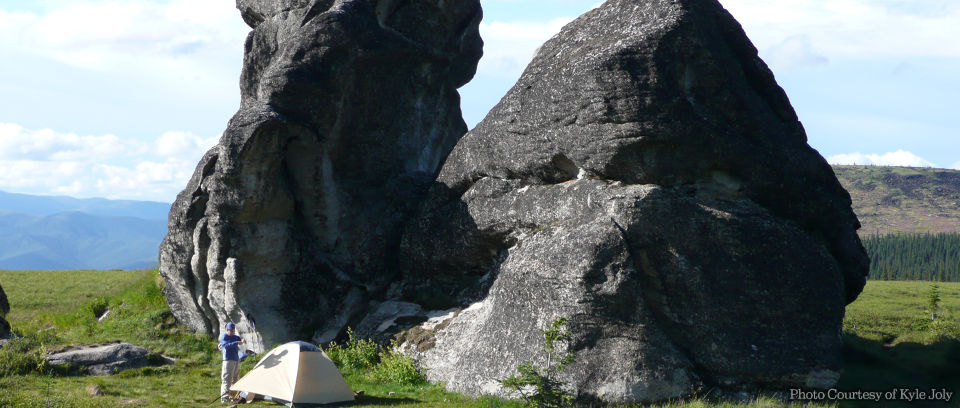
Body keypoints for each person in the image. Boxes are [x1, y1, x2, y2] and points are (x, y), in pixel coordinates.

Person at [218, 322, 245, 403]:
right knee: (227, 380)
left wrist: (242, 340)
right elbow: (226, 346)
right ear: (227, 330)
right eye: (231, 331)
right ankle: (224, 399)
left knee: (236, 379)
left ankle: (232, 397)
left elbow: (239, 339)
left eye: (233, 331)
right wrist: (236, 343)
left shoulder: (234, 337)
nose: (232, 332)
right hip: (228, 360)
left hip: (236, 360)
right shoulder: (224, 337)